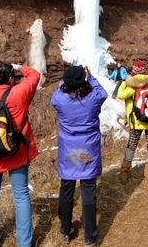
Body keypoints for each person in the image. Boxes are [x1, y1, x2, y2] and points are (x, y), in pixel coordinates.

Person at [0, 62, 40, 247]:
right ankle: (25, 243)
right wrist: (20, 66)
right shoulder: (18, 93)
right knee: (21, 196)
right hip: (16, 151)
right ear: (11, 78)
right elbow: (35, 75)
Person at [50, 65, 107, 247]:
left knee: (67, 187)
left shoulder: (59, 99)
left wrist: (65, 81)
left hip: (68, 148)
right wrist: (90, 77)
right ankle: (90, 237)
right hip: (88, 147)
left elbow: (56, 93)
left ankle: (66, 230)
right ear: (83, 80)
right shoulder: (93, 98)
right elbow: (102, 92)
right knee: (88, 189)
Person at [116, 60, 148, 184]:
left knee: (131, 145)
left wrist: (125, 81)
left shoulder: (133, 85)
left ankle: (124, 172)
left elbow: (120, 95)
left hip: (136, 121)